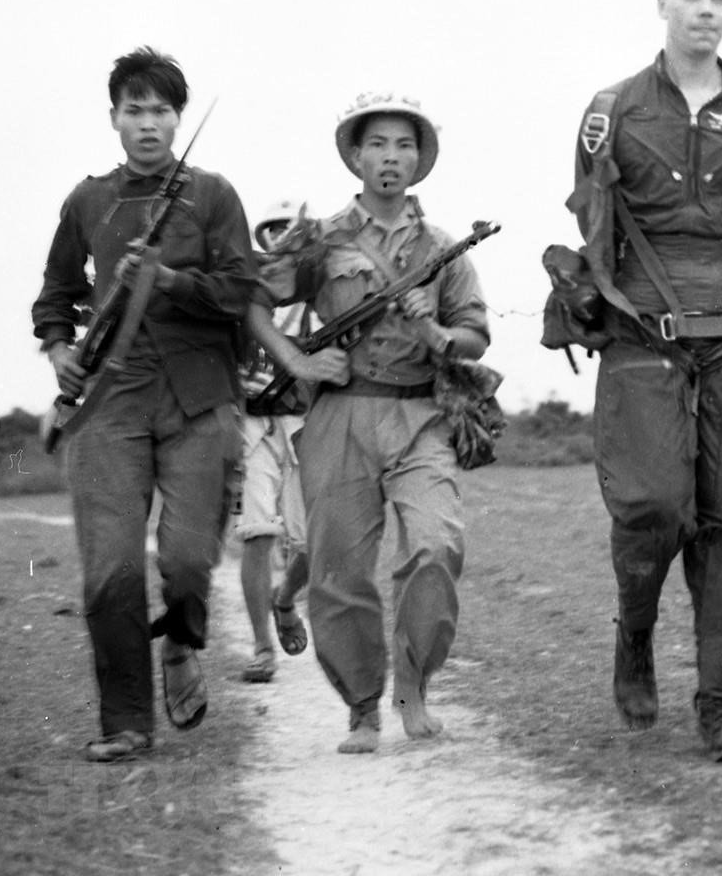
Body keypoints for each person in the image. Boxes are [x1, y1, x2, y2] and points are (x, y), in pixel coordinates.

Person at [566, 0, 722, 762]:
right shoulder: (612, 110)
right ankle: (634, 635)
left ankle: (717, 706)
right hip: (644, 343)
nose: (707, 10)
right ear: (661, 2)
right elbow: (594, 234)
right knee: (652, 509)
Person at [31, 47, 261, 762]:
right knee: (111, 570)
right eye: (135, 110)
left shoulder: (214, 194)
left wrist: (169, 282)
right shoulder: (88, 200)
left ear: (178, 117)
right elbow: (55, 294)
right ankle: (127, 722)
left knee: (190, 558)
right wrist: (60, 346)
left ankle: (183, 645)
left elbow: (239, 291)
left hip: (200, 400)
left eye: (161, 110)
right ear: (114, 118)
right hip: (109, 406)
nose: (149, 123)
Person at [257, 93, 490, 753]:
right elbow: (247, 298)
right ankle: (362, 706)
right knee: (338, 569)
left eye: (405, 145)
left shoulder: (445, 247)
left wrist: (436, 328)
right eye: (379, 144)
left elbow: (475, 336)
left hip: (420, 414)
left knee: (436, 547)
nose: (392, 158)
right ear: (356, 155)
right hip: (339, 416)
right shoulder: (320, 240)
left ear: (420, 160)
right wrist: (299, 358)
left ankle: (414, 684)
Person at [234, 200, 318, 683]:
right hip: (251, 423)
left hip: (302, 424)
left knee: (309, 543)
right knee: (258, 533)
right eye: (273, 231)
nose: (281, 239)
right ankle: (262, 647)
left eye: (292, 230)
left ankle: (285, 601)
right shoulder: (245, 292)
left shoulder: (319, 296)